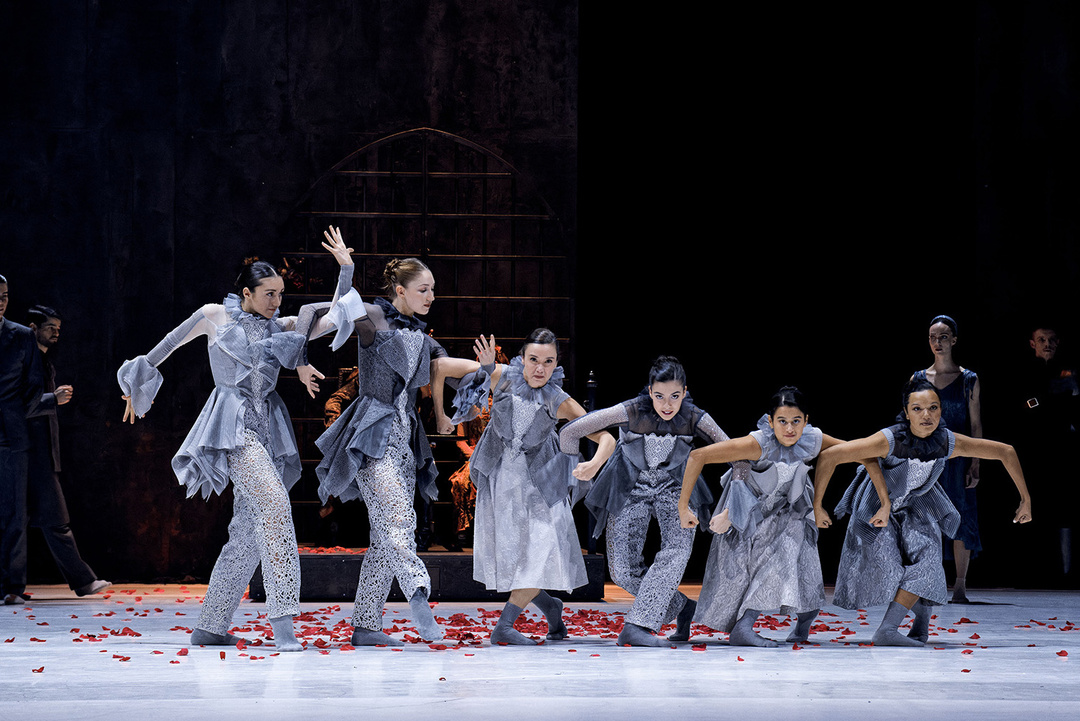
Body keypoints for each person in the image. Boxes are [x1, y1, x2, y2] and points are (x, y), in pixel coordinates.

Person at [118, 229, 355, 651]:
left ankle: (210, 625)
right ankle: (283, 620)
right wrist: (136, 384)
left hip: (269, 431)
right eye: (269, 294)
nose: (276, 301)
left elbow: (335, 318)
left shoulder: (282, 327)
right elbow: (167, 345)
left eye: (280, 294)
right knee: (275, 508)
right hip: (233, 428)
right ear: (247, 292)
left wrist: (346, 269)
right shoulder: (215, 315)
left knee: (246, 533)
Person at [813, 378, 1032, 647]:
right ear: (906, 413)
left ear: (941, 410)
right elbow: (830, 456)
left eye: (933, 408)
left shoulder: (947, 441)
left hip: (916, 506)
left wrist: (1026, 499)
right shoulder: (890, 439)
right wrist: (817, 505)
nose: (926, 415)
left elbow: (1005, 451)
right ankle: (906, 626)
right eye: (917, 409)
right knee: (890, 569)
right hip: (878, 507)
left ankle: (899, 629)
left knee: (929, 564)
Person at [437, 331, 615, 645]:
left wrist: (594, 463)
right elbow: (440, 367)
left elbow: (606, 437)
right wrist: (481, 371)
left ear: (556, 363)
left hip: (541, 487)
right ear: (522, 359)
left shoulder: (559, 400)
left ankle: (504, 626)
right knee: (518, 559)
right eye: (533, 360)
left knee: (542, 553)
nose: (539, 368)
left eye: (548, 361)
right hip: (502, 481)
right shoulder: (503, 376)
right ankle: (550, 606)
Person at [314, 244, 451, 647]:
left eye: (433, 289)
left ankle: (365, 625)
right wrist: (346, 269)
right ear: (400, 290)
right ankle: (419, 597)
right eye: (424, 289)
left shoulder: (421, 334)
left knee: (383, 538)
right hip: (372, 436)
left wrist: (494, 373)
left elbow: (447, 367)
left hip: (405, 441)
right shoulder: (373, 315)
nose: (431, 296)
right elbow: (341, 308)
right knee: (398, 522)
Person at [676, 386, 881, 647]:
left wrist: (883, 498)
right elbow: (698, 456)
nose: (790, 429)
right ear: (770, 421)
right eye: (782, 421)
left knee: (804, 567)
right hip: (750, 514)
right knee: (749, 573)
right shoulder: (757, 443)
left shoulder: (812, 439)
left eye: (796, 421)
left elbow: (860, 453)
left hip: (790, 511)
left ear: (806, 420)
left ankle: (802, 625)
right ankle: (738, 625)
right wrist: (683, 507)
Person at [557, 356, 740, 646]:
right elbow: (570, 431)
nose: (667, 405)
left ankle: (638, 627)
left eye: (675, 396)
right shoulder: (630, 410)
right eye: (660, 396)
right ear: (650, 391)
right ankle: (683, 607)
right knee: (622, 572)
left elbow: (738, 457)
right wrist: (573, 475)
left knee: (677, 550)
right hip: (630, 486)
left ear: (685, 392)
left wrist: (732, 505)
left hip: (676, 489)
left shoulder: (695, 417)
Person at [24, 305, 110, 598]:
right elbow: (18, 404)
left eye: (58, 328)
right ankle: (83, 581)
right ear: (33, 328)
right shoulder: (24, 359)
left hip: (40, 454)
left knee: (42, 521)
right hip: (29, 453)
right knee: (53, 519)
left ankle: (81, 581)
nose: (56, 333)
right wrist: (53, 398)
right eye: (50, 327)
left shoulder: (42, 360)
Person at [911, 315, 982, 602]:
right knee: (926, 518)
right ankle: (930, 581)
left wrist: (975, 462)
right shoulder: (918, 378)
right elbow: (910, 420)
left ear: (954, 340)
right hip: (926, 458)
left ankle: (960, 585)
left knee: (962, 515)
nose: (937, 342)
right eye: (933, 337)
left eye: (943, 337)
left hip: (958, 457)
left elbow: (975, 424)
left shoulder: (968, 379)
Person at [1015, 324, 1077, 584]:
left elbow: (1074, 396)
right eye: (1041, 340)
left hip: (1064, 450)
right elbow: (1026, 404)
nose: (1047, 344)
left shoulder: (1069, 370)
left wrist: (1047, 397)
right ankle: (1034, 571)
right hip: (1034, 450)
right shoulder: (1025, 372)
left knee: (1064, 510)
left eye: (1051, 340)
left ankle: (1066, 573)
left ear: (1058, 342)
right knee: (1032, 504)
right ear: (1033, 344)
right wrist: (1051, 396)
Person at [0, 274, 46, 604]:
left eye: (4, 296)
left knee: (14, 513)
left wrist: (16, 414)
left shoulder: (21, 336)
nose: (0, 303)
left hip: (12, 435)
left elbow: (33, 387)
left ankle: (12, 586)